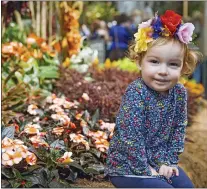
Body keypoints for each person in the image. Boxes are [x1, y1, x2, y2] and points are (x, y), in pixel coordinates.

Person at [105, 10, 202, 188]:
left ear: (183, 66)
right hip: (128, 167)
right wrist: (146, 170)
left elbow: (178, 129)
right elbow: (130, 138)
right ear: (140, 61)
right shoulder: (137, 92)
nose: (163, 71)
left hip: (159, 162)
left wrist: (169, 162)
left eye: (173, 64)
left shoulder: (179, 92)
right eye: (154, 62)